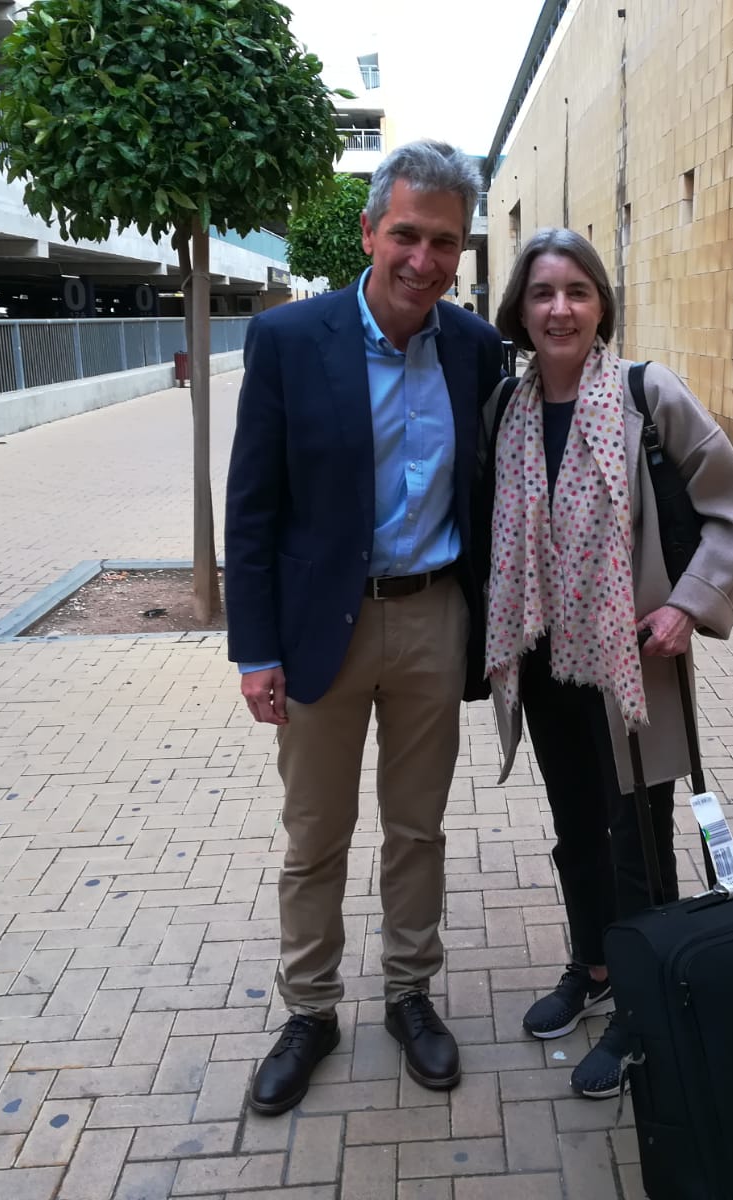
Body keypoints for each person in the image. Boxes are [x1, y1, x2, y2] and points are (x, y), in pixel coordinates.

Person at [224, 140, 505, 1116]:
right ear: (368, 232)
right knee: (316, 835)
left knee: (416, 829)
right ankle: (309, 1009)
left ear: (462, 250)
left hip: (433, 618)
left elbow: (494, 490)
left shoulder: (475, 348)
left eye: (445, 242)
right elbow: (252, 508)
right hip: (320, 630)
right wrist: (256, 649)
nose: (424, 260)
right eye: (407, 235)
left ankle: (409, 994)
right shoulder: (289, 340)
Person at [480, 228, 733, 1098]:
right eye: (542, 293)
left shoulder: (647, 394)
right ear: (519, 311)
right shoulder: (507, 407)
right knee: (576, 830)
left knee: (637, 837)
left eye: (578, 291)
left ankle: (647, 1006)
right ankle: (595, 968)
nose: (560, 309)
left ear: (602, 304)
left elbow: (729, 504)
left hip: (631, 660)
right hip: (543, 658)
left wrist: (686, 603)